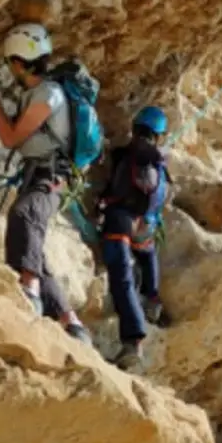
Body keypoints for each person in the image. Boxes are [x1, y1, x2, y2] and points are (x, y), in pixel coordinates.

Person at [0, 23, 90, 343]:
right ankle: (70, 323)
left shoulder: (48, 94)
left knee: (24, 215)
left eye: (9, 63)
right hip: (41, 171)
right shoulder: (39, 93)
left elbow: (12, 136)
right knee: (33, 246)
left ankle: (29, 291)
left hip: (53, 175)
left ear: (18, 62)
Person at [97, 106, 173, 368]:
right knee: (147, 253)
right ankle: (152, 299)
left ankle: (133, 341)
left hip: (120, 219)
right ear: (159, 135)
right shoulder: (160, 161)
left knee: (122, 277)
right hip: (147, 225)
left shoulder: (127, 153)